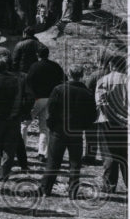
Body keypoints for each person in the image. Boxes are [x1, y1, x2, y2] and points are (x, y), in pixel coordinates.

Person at [39, 66, 98, 199]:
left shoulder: (59, 89)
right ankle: (73, 192)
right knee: (75, 163)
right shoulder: (87, 93)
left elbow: (51, 110)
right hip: (76, 131)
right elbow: (92, 115)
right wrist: (83, 126)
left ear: (68, 73)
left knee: (53, 161)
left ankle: (45, 188)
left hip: (59, 130)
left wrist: (51, 125)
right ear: (82, 75)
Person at [24, 43, 64, 161]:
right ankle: (42, 153)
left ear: (37, 54)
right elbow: (63, 80)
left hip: (37, 98)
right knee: (44, 127)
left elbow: (28, 83)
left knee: (24, 124)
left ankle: (21, 150)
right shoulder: (56, 66)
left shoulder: (34, 66)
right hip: (51, 98)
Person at [95, 53, 128, 193]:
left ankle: (109, 185)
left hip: (107, 122)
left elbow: (101, 103)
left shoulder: (103, 80)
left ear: (111, 65)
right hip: (127, 124)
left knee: (109, 154)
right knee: (127, 155)